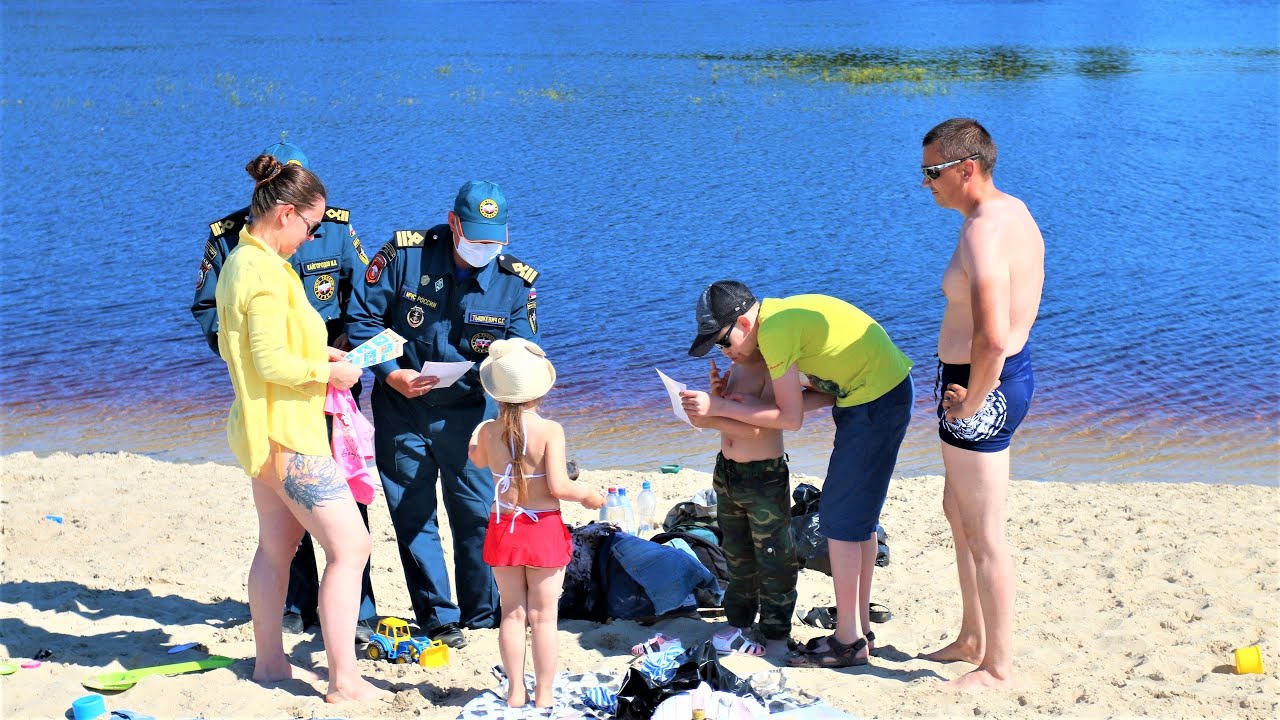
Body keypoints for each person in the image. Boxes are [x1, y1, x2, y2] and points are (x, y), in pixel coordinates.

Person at [191, 139, 378, 642]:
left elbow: (260, 351)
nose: (313, 238)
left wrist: (326, 356)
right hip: (289, 433)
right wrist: (327, 373)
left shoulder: (245, 260)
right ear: (286, 212)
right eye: (310, 227)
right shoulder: (264, 271)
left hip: (259, 427)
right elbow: (271, 360)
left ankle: (271, 662)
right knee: (351, 547)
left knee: (275, 548)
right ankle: (344, 680)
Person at [345, 180, 540, 649]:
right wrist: (391, 375)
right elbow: (362, 320)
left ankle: (483, 613)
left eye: (493, 240)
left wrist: (512, 376)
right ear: (454, 224)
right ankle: (438, 618)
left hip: (470, 413)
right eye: (476, 238)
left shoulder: (515, 282)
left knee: (476, 513)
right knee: (413, 513)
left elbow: (524, 350)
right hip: (401, 407)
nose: (483, 249)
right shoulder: (404, 255)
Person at [681, 281, 912, 669]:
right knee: (859, 520)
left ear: (742, 321)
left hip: (875, 399)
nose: (725, 352)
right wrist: (731, 404)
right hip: (876, 391)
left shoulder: (773, 333)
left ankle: (849, 641)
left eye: (724, 341)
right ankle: (856, 630)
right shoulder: (776, 319)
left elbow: (790, 418)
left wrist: (719, 405)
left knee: (840, 522)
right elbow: (804, 398)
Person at [916, 118, 1043, 691]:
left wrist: (975, 399)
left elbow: (992, 335)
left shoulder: (983, 232)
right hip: (989, 379)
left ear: (967, 168)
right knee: (957, 510)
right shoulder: (1011, 211)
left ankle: (997, 666)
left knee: (985, 531)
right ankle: (972, 636)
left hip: (982, 382)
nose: (926, 184)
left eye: (932, 172)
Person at [467, 338, 606, 708]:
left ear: (496, 391)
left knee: (511, 613)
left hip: (504, 526)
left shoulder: (486, 430)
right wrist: (589, 495)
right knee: (544, 618)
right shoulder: (550, 430)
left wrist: (480, 438)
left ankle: (515, 691)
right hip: (542, 528)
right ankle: (544, 694)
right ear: (539, 391)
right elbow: (560, 486)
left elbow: (478, 460)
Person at [685, 352, 800, 659]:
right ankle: (738, 622)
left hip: (763, 477)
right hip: (728, 473)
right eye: (718, 345)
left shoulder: (771, 366)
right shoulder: (737, 365)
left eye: (726, 340)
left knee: (774, 558)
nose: (724, 350)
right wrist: (719, 396)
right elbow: (736, 416)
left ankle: (776, 632)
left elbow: (758, 428)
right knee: (737, 555)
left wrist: (710, 417)